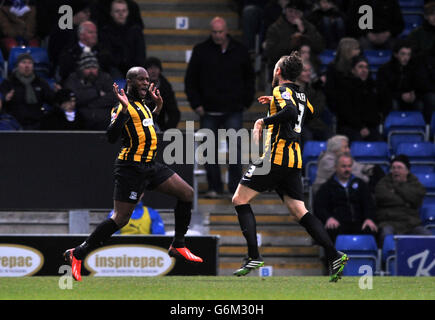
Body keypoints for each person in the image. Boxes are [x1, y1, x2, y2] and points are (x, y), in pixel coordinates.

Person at [63, 66, 203, 281]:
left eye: (147, 79)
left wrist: (158, 107)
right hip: (131, 168)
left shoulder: (144, 106)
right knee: (120, 219)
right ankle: (78, 253)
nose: (146, 83)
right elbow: (111, 136)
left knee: (186, 193)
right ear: (130, 82)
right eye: (141, 80)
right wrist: (125, 110)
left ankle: (178, 245)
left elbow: (146, 127)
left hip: (150, 165)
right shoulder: (122, 107)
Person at [231, 52, 348, 282]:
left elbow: (292, 112)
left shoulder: (281, 91)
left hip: (274, 158)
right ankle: (334, 254)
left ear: (278, 71)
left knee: (239, 200)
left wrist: (263, 121)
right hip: (294, 160)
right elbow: (307, 113)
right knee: (299, 211)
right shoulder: (300, 94)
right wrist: (276, 105)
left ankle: (253, 255)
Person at [184, 16, 256, 198]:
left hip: (233, 109)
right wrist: (196, 104)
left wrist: (246, 101)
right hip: (208, 110)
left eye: (220, 32)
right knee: (209, 150)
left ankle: (234, 188)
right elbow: (190, 80)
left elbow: (249, 78)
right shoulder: (201, 51)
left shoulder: (240, 51)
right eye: (214, 32)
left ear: (226, 31)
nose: (217, 35)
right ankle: (214, 187)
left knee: (235, 150)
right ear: (211, 32)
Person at [314, 152, 378, 244]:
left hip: (360, 222)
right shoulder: (327, 187)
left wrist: (369, 218)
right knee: (331, 230)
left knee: (371, 229)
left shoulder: (360, 184)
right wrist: (328, 218)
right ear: (336, 167)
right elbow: (319, 207)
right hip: (338, 223)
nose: (347, 169)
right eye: (343, 166)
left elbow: (369, 204)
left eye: (349, 166)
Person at [375, 154, 432, 246]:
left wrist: (396, 189)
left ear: (407, 171)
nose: (396, 170)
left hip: (411, 224)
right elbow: (383, 197)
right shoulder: (383, 183)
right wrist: (406, 202)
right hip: (389, 222)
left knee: (428, 236)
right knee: (386, 234)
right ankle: (389, 259)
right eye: (393, 168)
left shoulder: (415, 184)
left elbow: (416, 198)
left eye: (399, 167)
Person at [264, 0, 325, 82]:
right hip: (284, 64)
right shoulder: (275, 28)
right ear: (285, 11)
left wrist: (304, 32)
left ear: (301, 14)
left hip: (309, 64)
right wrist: (291, 43)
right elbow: (271, 52)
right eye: (290, 11)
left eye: (296, 12)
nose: (293, 15)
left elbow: (320, 47)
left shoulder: (308, 27)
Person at [63, 50, 117, 130]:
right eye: (88, 68)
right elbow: (72, 98)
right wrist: (97, 93)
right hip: (81, 119)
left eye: (94, 68)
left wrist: (87, 102)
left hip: (104, 119)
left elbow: (113, 97)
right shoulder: (73, 79)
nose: (91, 71)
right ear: (81, 69)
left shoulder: (105, 78)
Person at [312, 134, 383, 195]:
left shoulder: (343, 157)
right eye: (345, 147)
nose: (348, 150)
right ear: (336, 149)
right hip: (327, 191)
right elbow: (346, 174)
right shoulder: (327, 160)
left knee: (376, 170)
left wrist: (370, 169)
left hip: (344, 186)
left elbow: (358, 166)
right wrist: (366, 178)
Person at [333, 55, 382, 142]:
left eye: (366, 67)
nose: (364, 70)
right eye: (360, 67)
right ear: (353, 70)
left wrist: (367, 127)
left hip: (369, 127)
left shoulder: (372, 87)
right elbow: (346, 112)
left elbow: (375, 111)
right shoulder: (344, 87)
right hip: (349, 127)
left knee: (378, 142)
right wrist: (360, 127)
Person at [0, 53, 54, 129]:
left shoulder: (40, 82)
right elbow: (2, 101)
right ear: (17, 65)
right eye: (24, 62)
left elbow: (51, 99)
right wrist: (5, 98)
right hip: (15, 124)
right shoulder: (9, 82)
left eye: (30, 63)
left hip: (37, 123)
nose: (27, 66)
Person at [99, 0, 147, 79]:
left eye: (124, 11)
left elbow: (140, 55)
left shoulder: (135, 31)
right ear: (111, 13)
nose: (121, 14)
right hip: (113, 71)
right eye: (117, 11)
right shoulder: (106, 32)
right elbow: (106, 56)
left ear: (128, 12)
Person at [376, 39, 421, 118]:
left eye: (408, 54)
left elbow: (419, 86)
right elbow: (383, 90)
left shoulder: (414, 68)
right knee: (393, 104)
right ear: (396, 54)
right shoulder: (385, 69)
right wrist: (400, 96)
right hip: (391, 98)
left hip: (408, 98)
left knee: (419, 104)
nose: (406, 58)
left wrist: (413, 95)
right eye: (403, 54)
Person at [295, 60, 332, 143]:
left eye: (309, 71)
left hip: (312, 123)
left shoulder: (315, 90)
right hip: (296, 125)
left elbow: (316, 110)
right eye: (305, 71)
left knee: (328, 135)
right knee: (306, 135)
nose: (308, 73)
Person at [324, 37, 360, 113]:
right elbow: (331, 91)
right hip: (339, 104)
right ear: (347, 50)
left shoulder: (359, 64)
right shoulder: (333, 67)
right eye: (356, 49)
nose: (359, 52)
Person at [144, 57, 180, 131]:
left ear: (160, 70)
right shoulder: (137, 85)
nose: (153, 71)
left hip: (160, 127)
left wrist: (166, 131)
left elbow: (174, 113)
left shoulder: (165, 87)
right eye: (150, 68)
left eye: (156, 68)